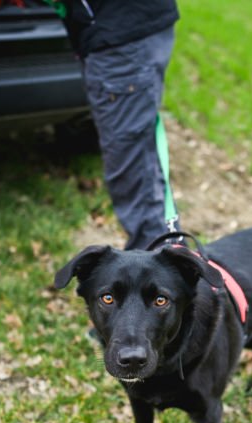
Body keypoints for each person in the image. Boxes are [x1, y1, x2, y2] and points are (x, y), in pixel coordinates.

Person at [52, 0, 181, 250]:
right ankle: (166, 265)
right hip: (136, 28)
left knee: (136, 179)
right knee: (142, 168)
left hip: (121, 39)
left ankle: (159, 274)